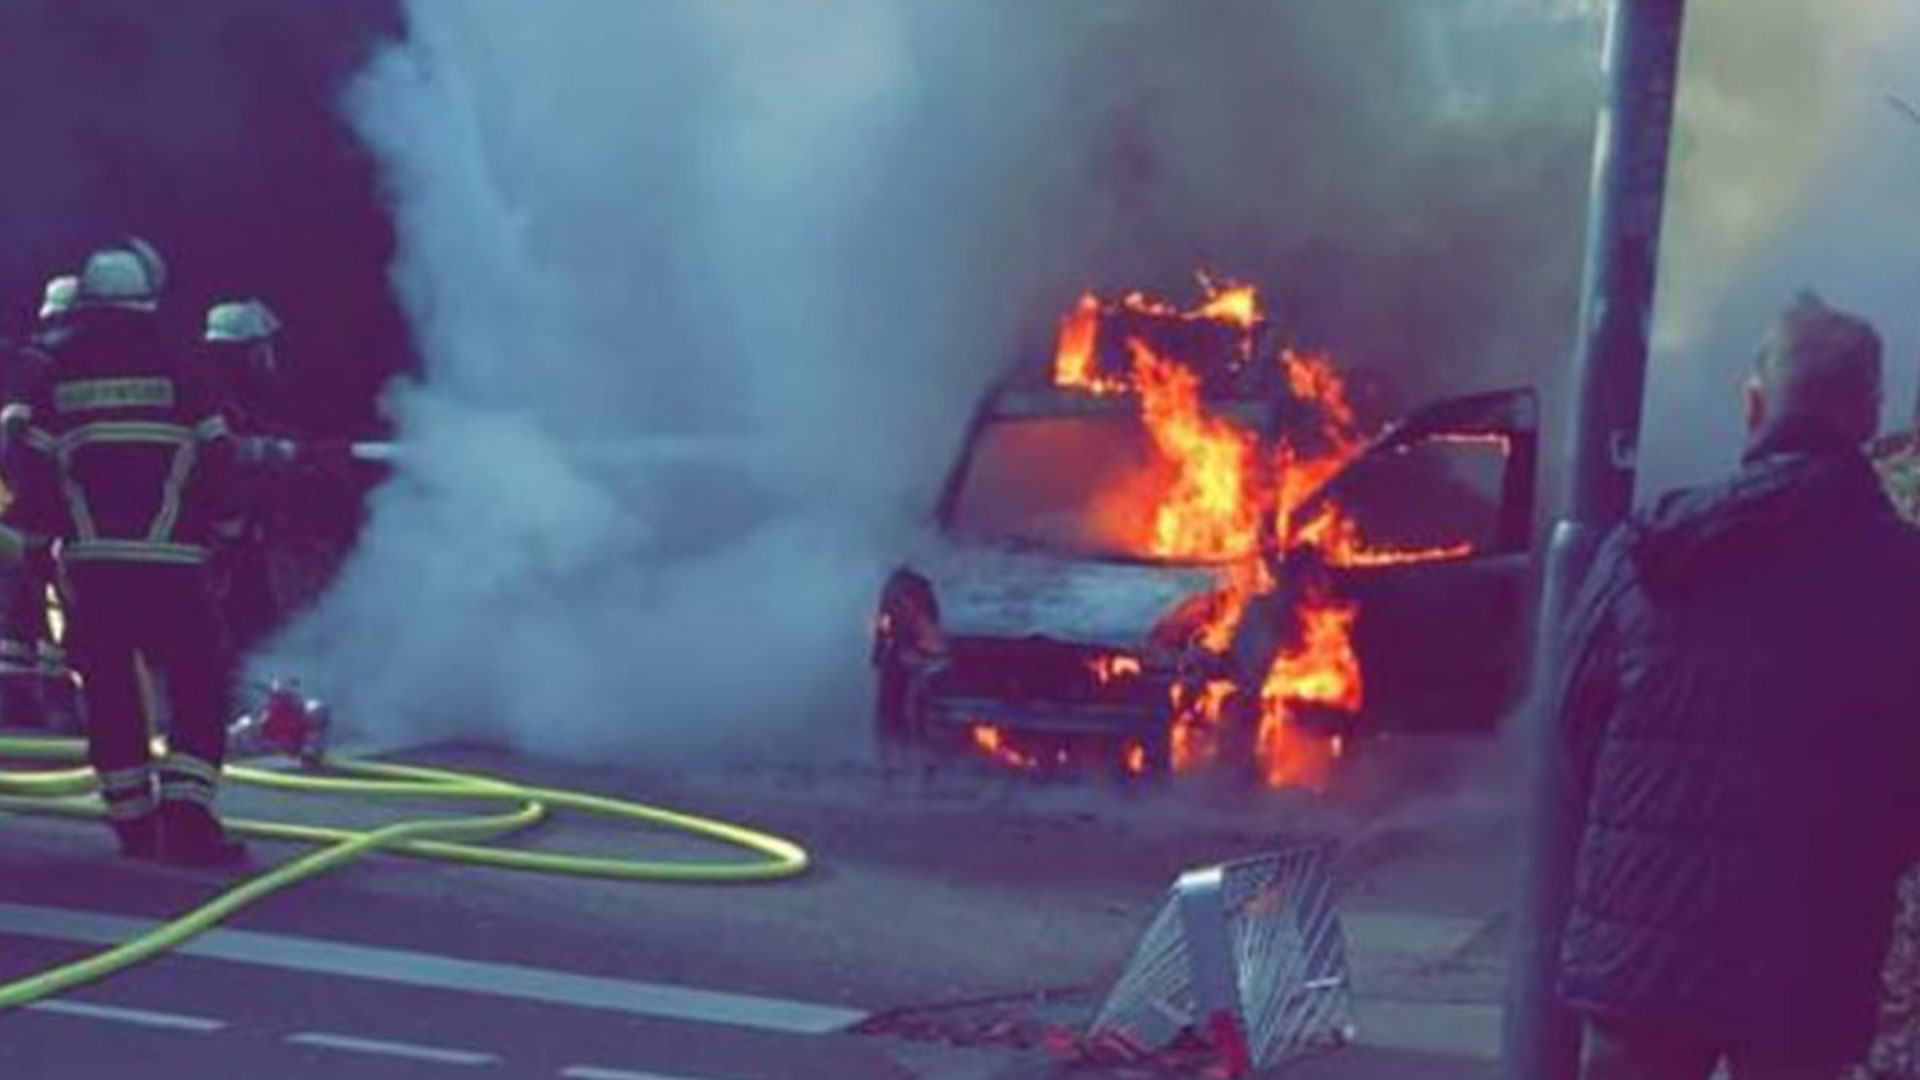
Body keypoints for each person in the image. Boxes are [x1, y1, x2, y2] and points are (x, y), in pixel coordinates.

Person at [1556, 292, 1920, 1079]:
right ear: (1869, 416)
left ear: (1754, 405)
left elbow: (1578, 722)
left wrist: (1639, 829)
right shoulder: (1904, 572)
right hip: (1813, 947)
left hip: (1642, 940)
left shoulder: (1649, 546)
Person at [0, 239, 244, 866]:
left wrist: (35, 541)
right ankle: (187, 819)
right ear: (147, 297)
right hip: (174, 561)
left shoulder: (53, 367)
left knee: (110, 690)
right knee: (197, 682)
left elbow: (28, 464)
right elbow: (219, 455)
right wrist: (227, 529)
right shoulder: (181, 361)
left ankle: (133, 822)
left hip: (90, 563)